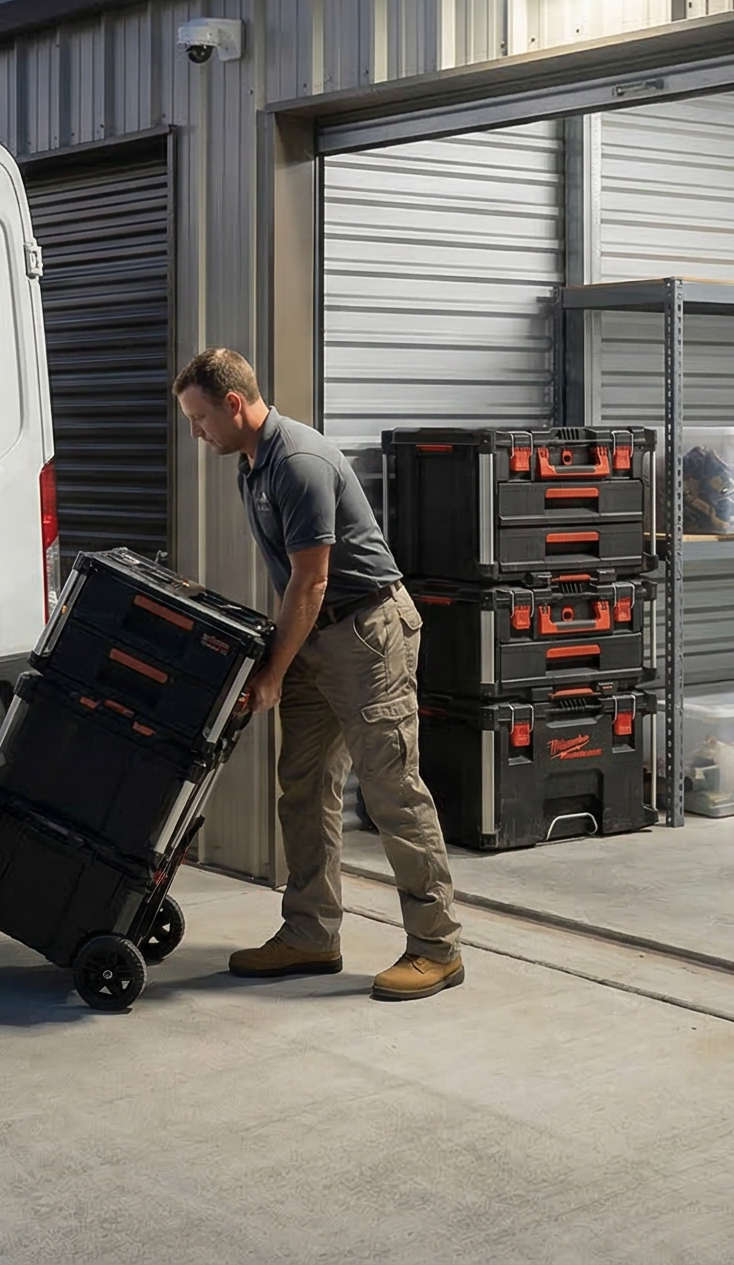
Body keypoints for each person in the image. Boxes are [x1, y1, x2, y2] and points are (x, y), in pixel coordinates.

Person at [171, 347, 464, 1001]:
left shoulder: (298, 462)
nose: (196, 432)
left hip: (365, 636)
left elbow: (312, 577)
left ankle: (437, 947)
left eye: (199, 419)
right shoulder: (252, 462)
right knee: (303, 787)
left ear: (234, 405)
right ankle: (310, 934)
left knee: (392, 789)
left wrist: (273, 672)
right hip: (315, 636)